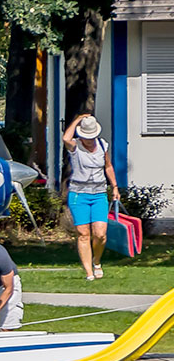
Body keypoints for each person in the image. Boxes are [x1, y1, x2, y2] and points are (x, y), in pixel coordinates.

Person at [63, 114, 120, 280]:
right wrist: (77, 119)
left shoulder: (102, 145)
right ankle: (89, 272)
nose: (90, 140)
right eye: (87, 137)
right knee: (83, 234)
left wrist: (114, 186)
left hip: (99, 193)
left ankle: (96, 260)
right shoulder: (75, 146)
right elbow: (66, 137)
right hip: (79, 194)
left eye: (92, 137)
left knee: (100, 234)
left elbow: (108, 166)